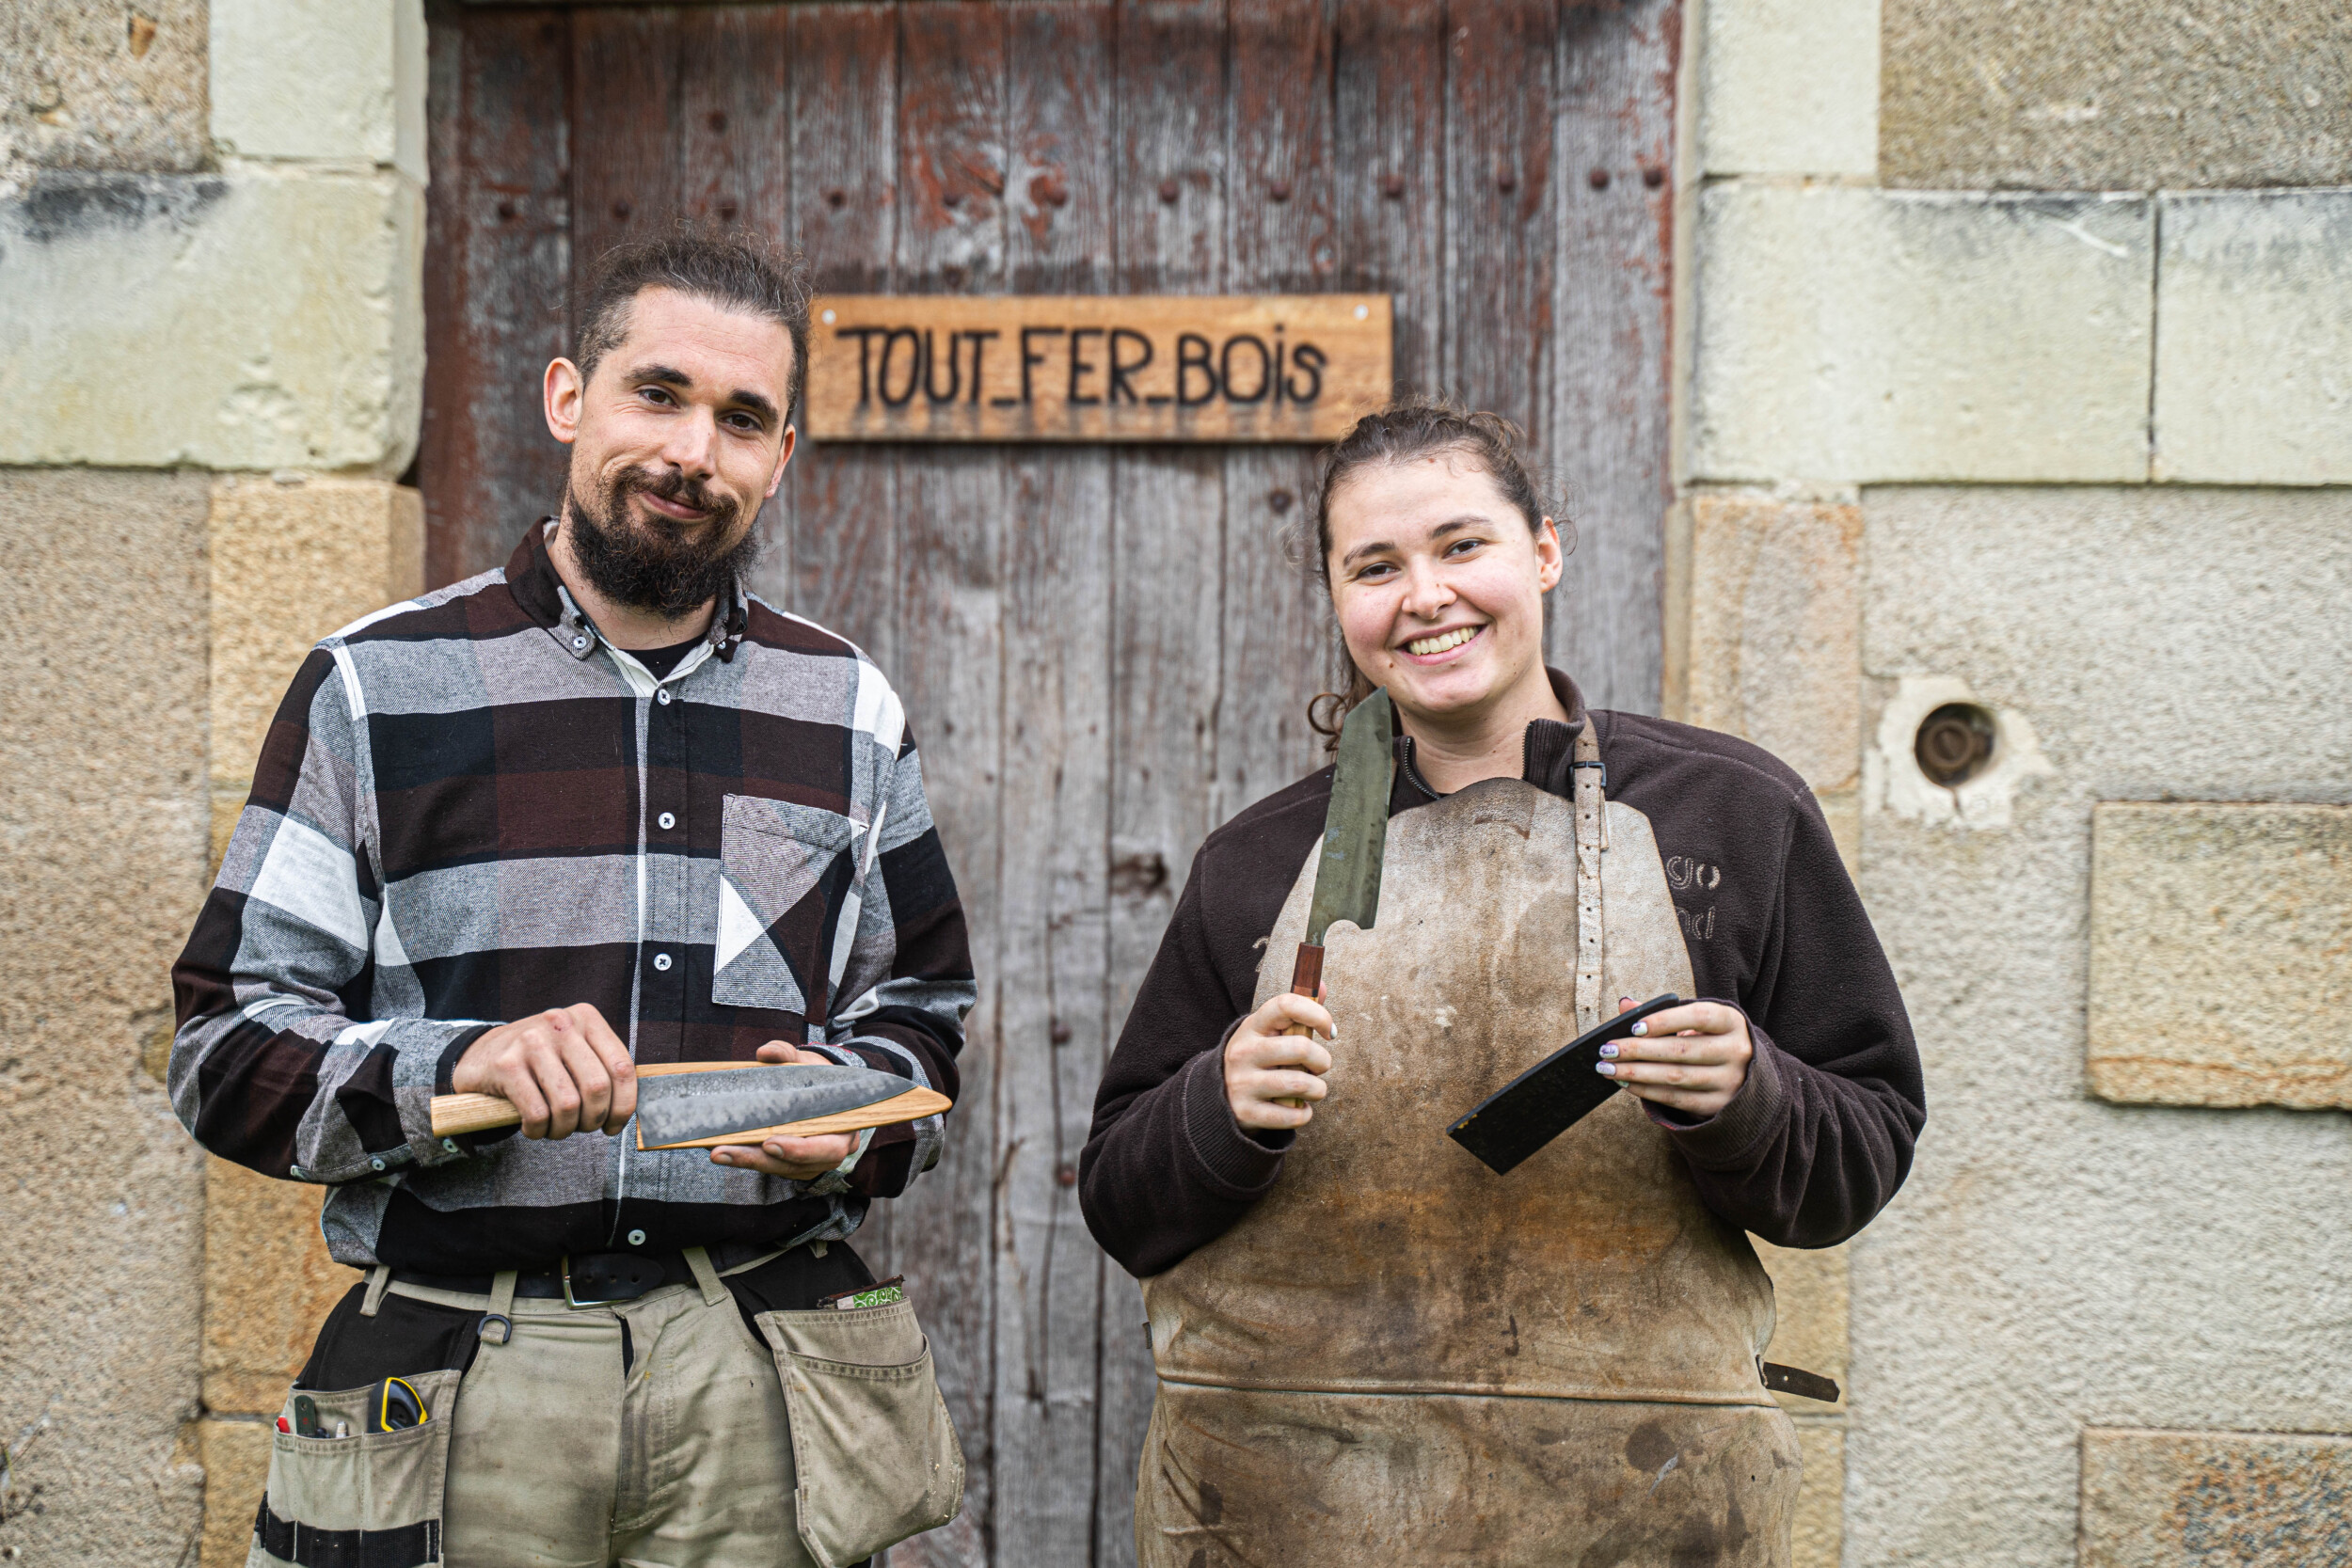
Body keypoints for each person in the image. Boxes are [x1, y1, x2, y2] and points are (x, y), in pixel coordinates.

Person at [170, 231, 971, 1568]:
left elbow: (922, 1019)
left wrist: (847, 1127)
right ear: (566, 398)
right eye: (657, 394)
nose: (690, 451)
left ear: (782, 460)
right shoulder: (376, 686)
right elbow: (223, 1045)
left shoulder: (845, 706)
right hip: (462, 1374)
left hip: (758, 1378)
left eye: (742, 419)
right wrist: (455, 1065)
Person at [1080, 402, 1926, 1565]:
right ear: (1337, 599)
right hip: (1291, 1502)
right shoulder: (1261, 860)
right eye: (1374, 566)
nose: (1424, 595)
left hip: (1640, 1506)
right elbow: (1121, 1203)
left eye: (1461, 545)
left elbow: (1861, 1152)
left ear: (1543, 551)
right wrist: (1215, 1105)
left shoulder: (1733, 815)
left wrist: (1751, 1093)